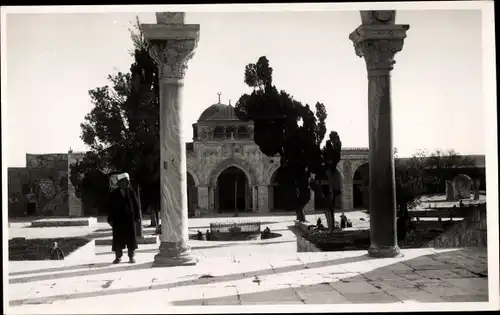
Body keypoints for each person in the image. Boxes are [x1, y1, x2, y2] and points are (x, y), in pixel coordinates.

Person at [107, 172, 141, 264]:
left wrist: (137, 216)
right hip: (118, 220)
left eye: (127, 181)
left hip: (129, 219)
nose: (126, 183)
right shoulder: (114, 194)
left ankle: (131, 257)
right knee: (118, 239)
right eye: (124, 181)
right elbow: (111, 207)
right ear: (120, 183)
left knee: (131, 239)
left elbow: (136, 205)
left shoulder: (131, 192)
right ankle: (118, 257)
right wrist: (110, 219)